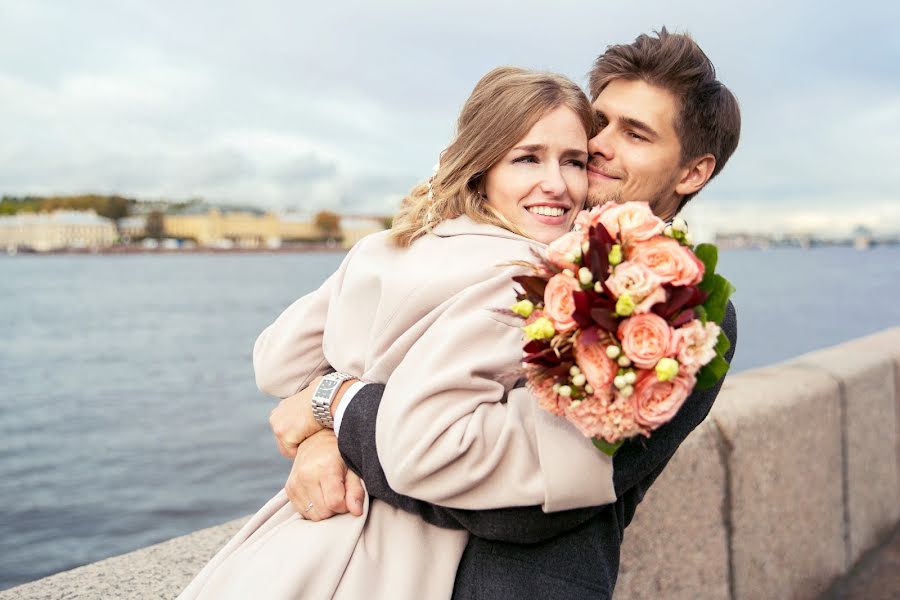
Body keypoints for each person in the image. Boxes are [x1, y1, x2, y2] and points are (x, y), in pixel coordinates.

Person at [266, 28, 740, 599]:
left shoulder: (676, 311)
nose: (599, 146)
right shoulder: (522, 252)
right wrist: (324, 426)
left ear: (692, 173)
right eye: (600, 123)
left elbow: (522, 509)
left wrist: (336, 410)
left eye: (635, 134)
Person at [179, 66, 620, 600]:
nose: (557, 183)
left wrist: (328, 406)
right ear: (481, 165)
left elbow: (275, 362)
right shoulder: (526, 279)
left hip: (296, 539)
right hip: (390, 554)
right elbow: (431, 448)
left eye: (573, 161)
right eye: (527, 157)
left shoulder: (388, 246)